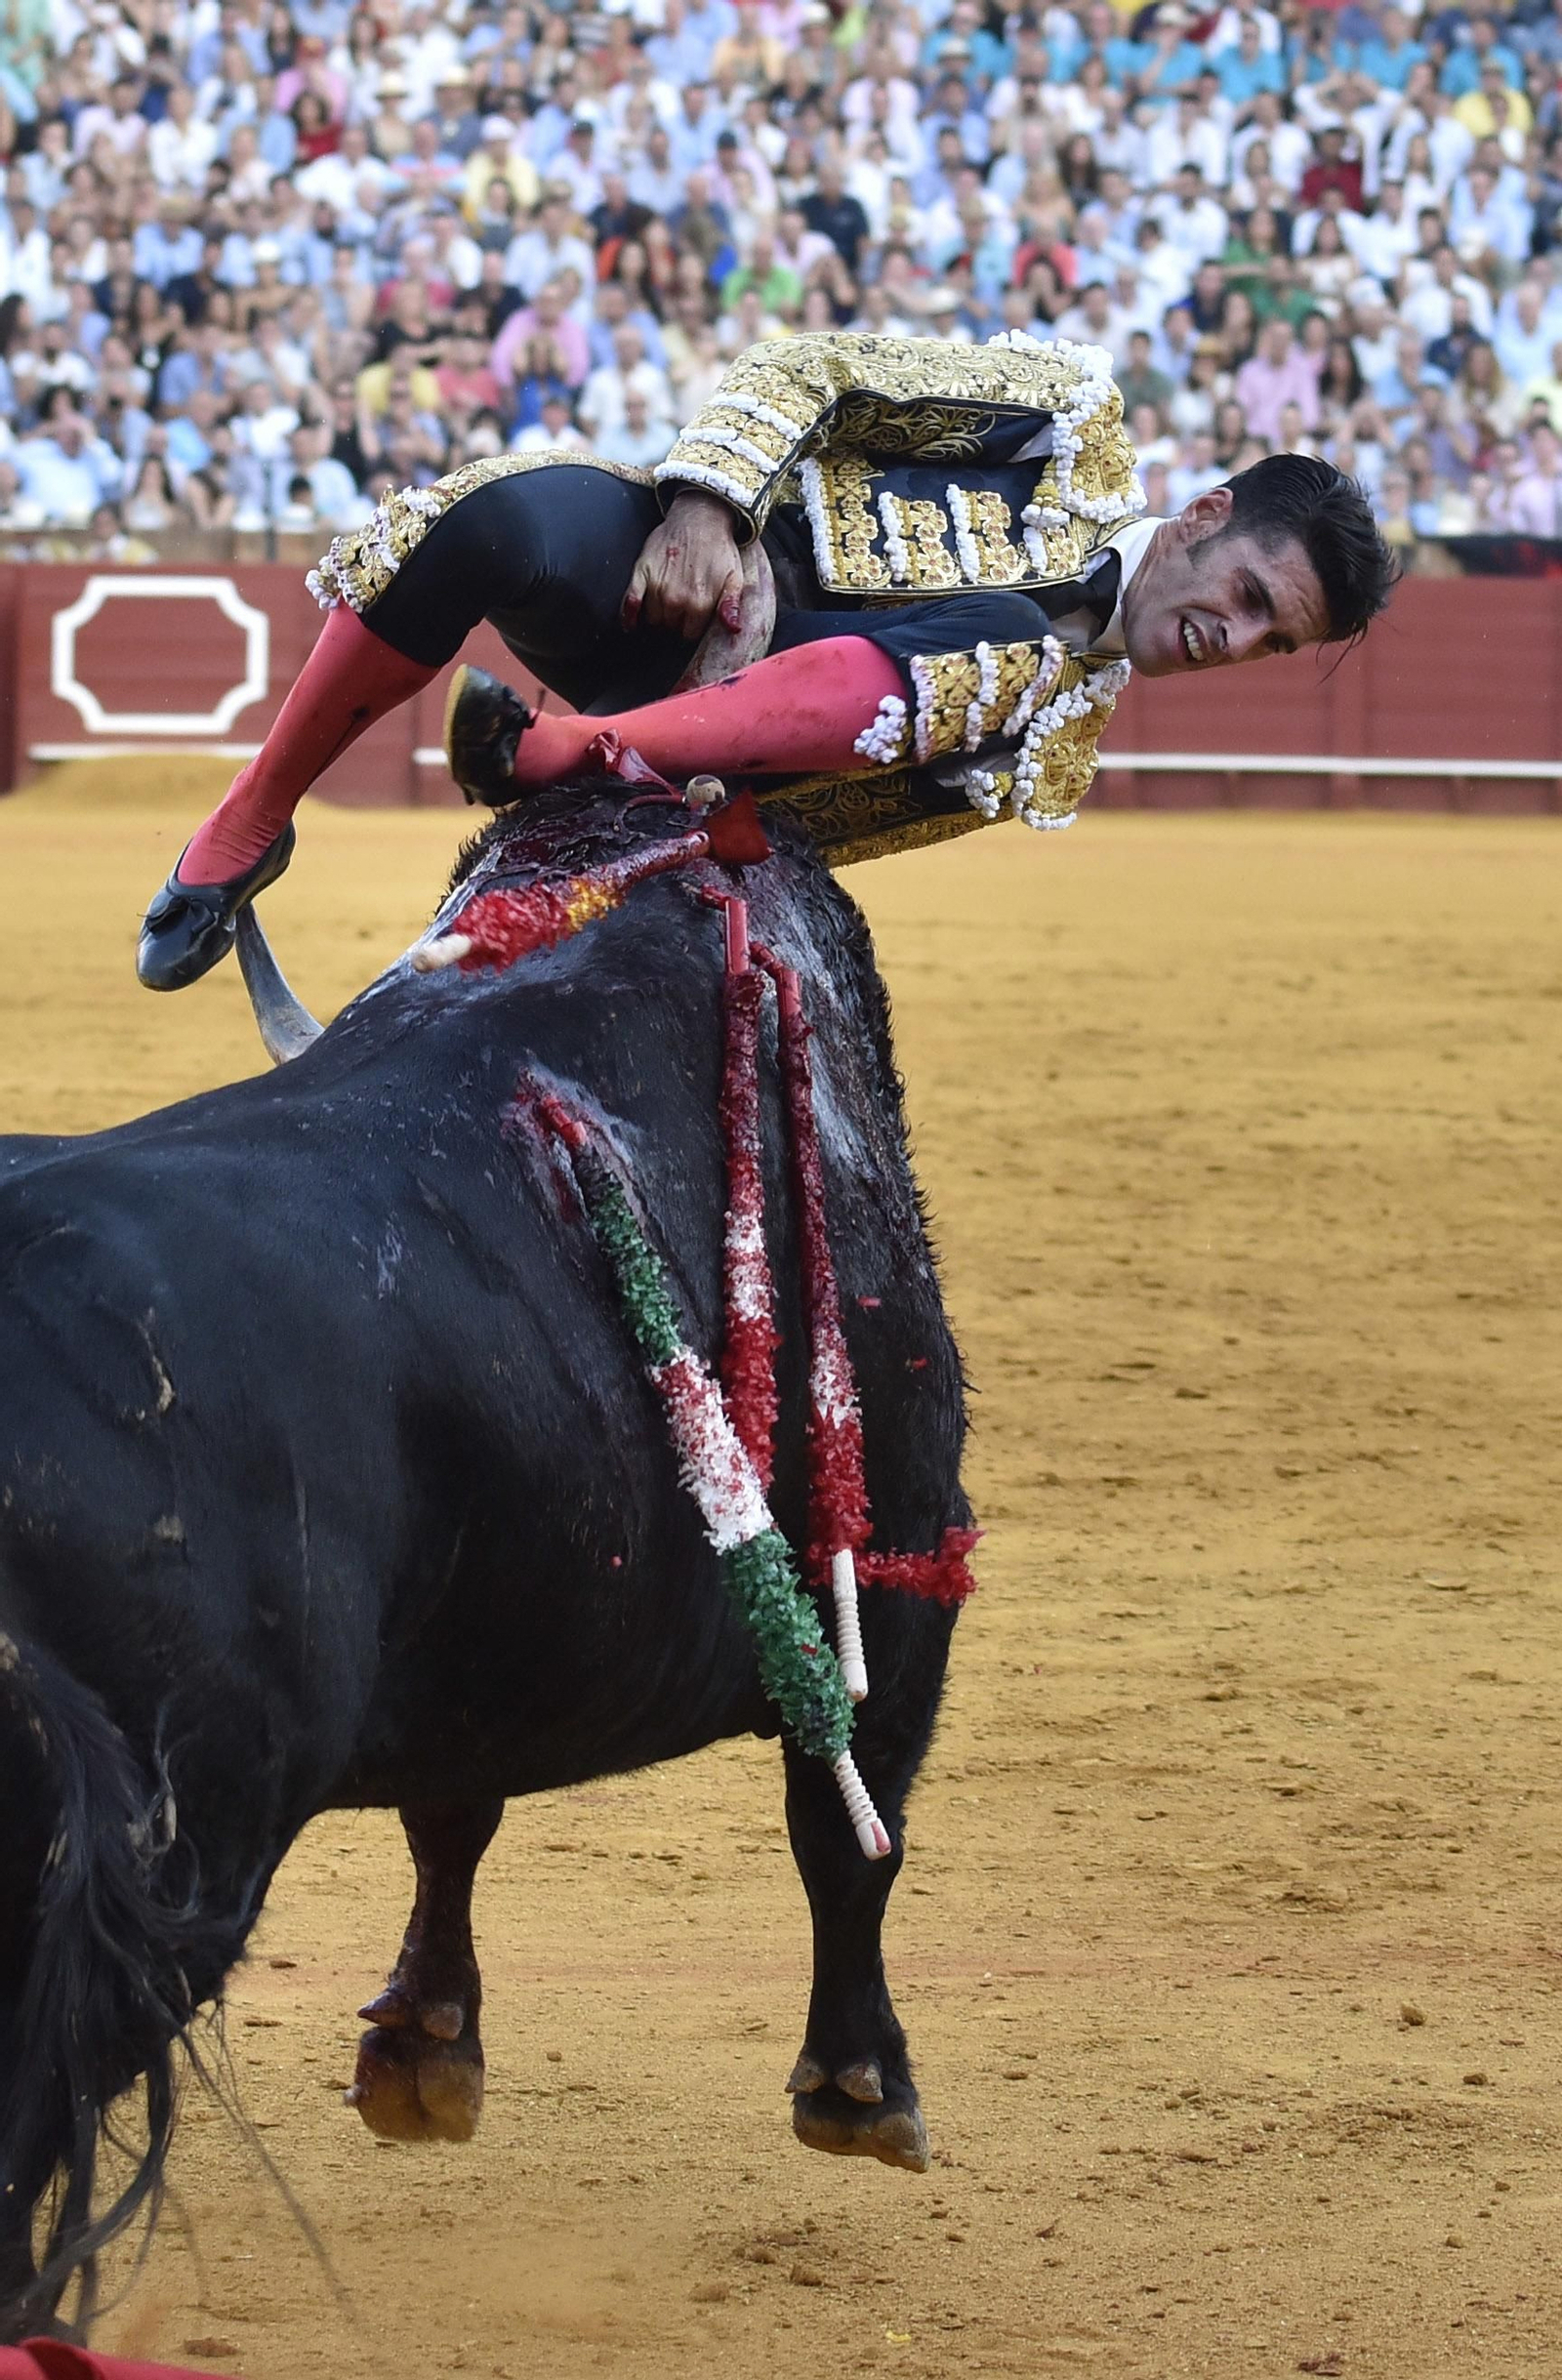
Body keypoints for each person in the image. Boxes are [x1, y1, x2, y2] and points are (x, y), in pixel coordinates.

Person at [137, 332, 1397, 993]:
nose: (1228, 639)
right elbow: (819, 372)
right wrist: (711, 507)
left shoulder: (1048, 749)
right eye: (1245, 597)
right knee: (490, 524)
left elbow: (813, 823)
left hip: (671, 762)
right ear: (1205, 514)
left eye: (1265, 641)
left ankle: (561, 757)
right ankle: (253, 817)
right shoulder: (1066, 423)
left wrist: (651, 813)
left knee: (1011, 655)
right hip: (670, 575)